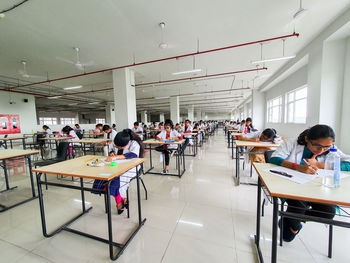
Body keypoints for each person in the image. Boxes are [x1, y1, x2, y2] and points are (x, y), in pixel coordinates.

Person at [270, 125, 350, 242]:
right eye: (317, 146)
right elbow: (274, 158)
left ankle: (289, 218)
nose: (321, 150)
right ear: (307, 139)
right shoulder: (292, 144)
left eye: (326, 147)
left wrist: (319, 165)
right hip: (291, 186)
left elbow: (348, 164)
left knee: (328, 212)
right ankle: (294, 224)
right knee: (297, 209)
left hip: (316, 188)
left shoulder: (332, 151)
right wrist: (297, 167)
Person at [92, 129, 144, 214]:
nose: (119, 148)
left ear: (127, 143)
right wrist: (112, 152)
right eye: (117, 147)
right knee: (103, 176)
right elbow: (111, 148)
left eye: (121, 147)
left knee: (117, 180)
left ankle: (119, 202)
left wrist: (116, 157)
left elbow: (133, 154)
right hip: (117, 165)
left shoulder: (133, 143)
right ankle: (121, 198)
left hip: (131, 167)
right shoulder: (116, 141)